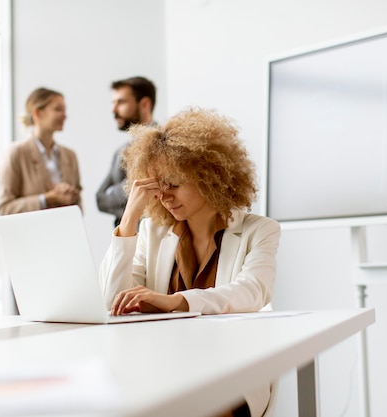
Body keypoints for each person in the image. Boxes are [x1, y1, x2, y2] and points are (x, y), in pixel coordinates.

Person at [98, 108, 281, 417]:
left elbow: (252, 291)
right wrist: (129, 218)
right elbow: (110, 301)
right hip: (165, 369)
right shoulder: (153, 232)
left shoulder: (259, 230)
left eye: (174, 183)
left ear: (210, 177)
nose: (165, 196)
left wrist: (173, 302)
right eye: (159, 186)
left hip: (233, 367)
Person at [0, 87, 81, 215]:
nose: (65, 115)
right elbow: (4, 208)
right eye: (58, 109)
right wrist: (47, 199)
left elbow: (79, 206)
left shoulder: (70, 156)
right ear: (37, 113)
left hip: (63, 232)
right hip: (30, 233)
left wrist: (71, 197)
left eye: (65, 110)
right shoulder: (17, 153)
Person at [96, 76, 157, 227]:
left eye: (121, 102)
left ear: (145, 104)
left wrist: (116, 192)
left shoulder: (163, 144)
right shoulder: (120, 152)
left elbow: (149, 194)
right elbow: (100, 199)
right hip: (125, 240)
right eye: (113, 103)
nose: (113, 109)